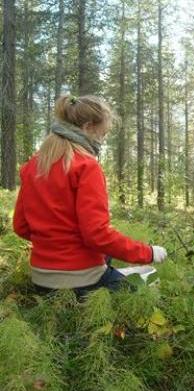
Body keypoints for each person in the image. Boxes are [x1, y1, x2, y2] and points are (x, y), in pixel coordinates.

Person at [13, 94, 167, 297]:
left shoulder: (33, 166)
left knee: (106, 259)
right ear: (87, 128)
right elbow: (97, 235)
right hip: (81, 282)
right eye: (103, 135)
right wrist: (148, 252)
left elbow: (21, 226)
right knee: (148, 284)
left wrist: (53, 245)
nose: (102, 142)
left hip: (41, 280)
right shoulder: (86, 167)